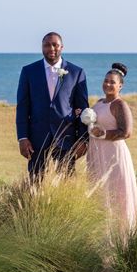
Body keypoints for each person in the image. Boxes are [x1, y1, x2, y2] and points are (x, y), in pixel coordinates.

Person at [16, 32, 89, 178]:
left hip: (66, 137)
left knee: (66, 181)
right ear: (42, 47)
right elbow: (22, 107)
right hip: (37, 138)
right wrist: (22, 137)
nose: (51, 48)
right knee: (36, 181)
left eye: (55, 44)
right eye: (47, 45)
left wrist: (83, 140)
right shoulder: (29, 71)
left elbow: (83, 110)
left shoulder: (76, 72)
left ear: (61, 47)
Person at [84, 63, 137, 245]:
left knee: (117, 194)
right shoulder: (99, 103)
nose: (108, 85)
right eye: (106, 81)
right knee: (100, 194)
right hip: (96, 154)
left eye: (112, 82)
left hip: (113, 156)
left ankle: (123, 239)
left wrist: (105, 134)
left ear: (120, 86)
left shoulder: (119, 104)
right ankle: (102, 237)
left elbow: (127, 132)